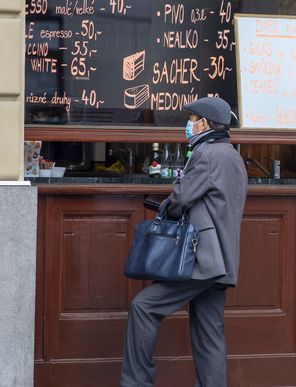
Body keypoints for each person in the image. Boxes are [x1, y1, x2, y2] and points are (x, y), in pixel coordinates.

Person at [120, 97, 248, 387]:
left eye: (191, 120)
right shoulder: (232, 155)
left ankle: (136, 382)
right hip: (223, 260)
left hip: (201, 258)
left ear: (204, 123)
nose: (188, 125)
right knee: (209, 332)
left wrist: (165, 207)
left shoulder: (206, 155)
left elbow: (181, 198)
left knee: (143, 307)